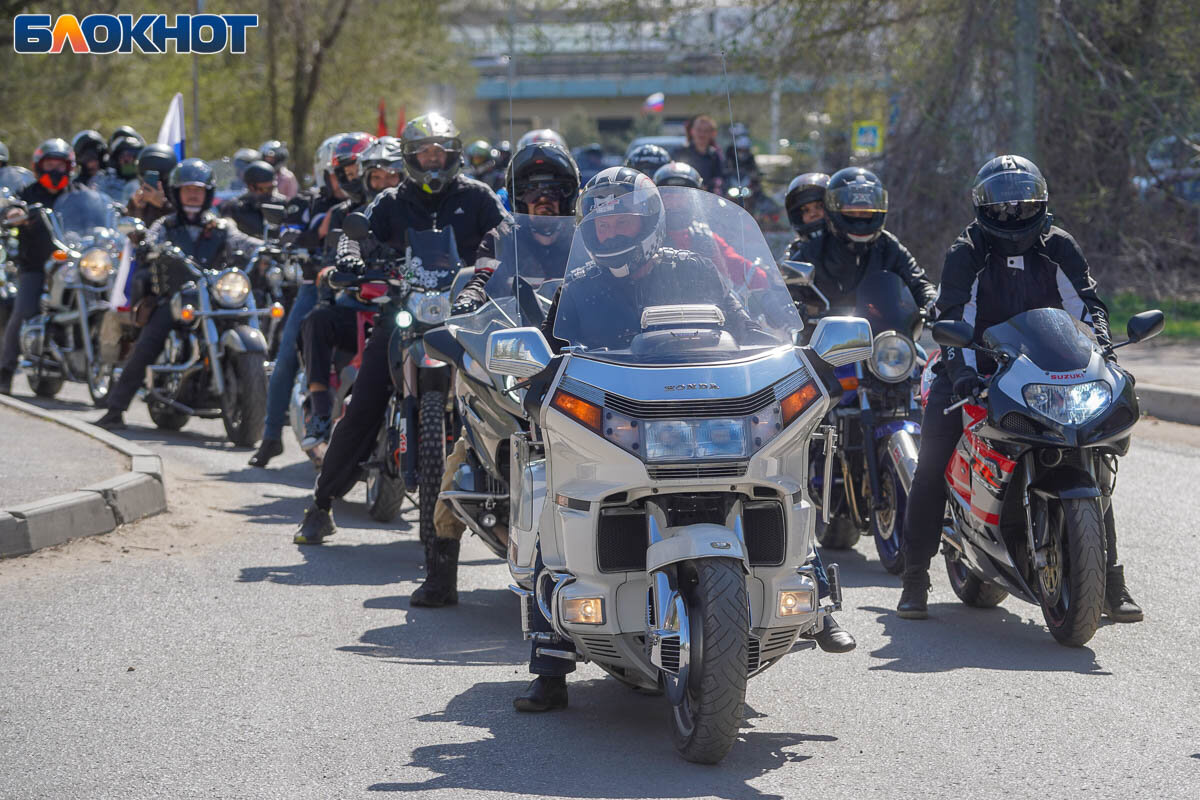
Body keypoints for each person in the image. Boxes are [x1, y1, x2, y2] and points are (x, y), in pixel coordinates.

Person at [896, 154, 1142, 622]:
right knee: (931, 464)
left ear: (1041, 204)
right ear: (983, 208)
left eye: (1023, 205)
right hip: (974, 368)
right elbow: (953, 319)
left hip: (1045, 371)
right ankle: (915, 577)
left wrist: (1105, 352)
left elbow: (1085, 304)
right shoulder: (966, 251)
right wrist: (965, 373)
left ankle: (1110, 581)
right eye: (1002, 207)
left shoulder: (1058, 245)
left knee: (1089, 454)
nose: (1012, 214)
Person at [293, 112, 506, 545]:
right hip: (402, 310)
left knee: (507, 399)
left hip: (464, 313)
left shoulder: (478, 196)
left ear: (454, 155)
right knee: (364, 404)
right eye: (424, 152)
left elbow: (506, 231)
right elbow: (357, 229)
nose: (433, 160)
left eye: (440, 152)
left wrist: (496, 263)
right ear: (410, 157)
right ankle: (321, 504)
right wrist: (349, 256)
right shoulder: (390, 200)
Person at [418, 141, 581, 612]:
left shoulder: (589, 236)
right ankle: (440, 576)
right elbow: (483, 274)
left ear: (569, 194)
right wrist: (469, 298)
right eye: (531, 190)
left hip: (580, 358)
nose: (542, 198)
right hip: (522, 358)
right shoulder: (505, 234)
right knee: (465, 455)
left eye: (552, 189)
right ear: (518, 197)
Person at [95, 159, 262, 429]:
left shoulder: (221, 226)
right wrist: (147, 245)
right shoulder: (166, 224)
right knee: (149, 341)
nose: (193, 195)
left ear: (208, 193)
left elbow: (244, 241)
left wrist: (267, 248)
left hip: (214, 295)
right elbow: (150, 238)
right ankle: (115, 408)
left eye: (198, 190)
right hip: (175, 297)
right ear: (177, 192)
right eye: (187, 190)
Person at [249, 136, 351, 467]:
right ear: (325, 173)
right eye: (340, 172)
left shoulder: (372, 203)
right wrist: (316, 232)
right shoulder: (306, 203)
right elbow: (286, 234)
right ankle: (270, 436)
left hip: (365, 288)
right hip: (315, 286)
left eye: (353, 171)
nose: (347, 179)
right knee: (286, 358)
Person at [295, 132, 377, 452]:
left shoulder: (400, 206)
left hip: (403, 302)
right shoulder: (342, 213)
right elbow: (337, 252)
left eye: (361, 170)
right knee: (312, 323)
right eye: (348, 172)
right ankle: (317, 411)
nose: (355, 177)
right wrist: (334, 270)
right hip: (356, 301)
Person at [787, 167, 936, 315]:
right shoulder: (814, 249)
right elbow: (786, 292)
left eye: (865, 212)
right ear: (834, 209)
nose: (859, 217)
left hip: (882, 335)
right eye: (851, 211)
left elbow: (919, 283)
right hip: (821, 335)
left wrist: (932, 302)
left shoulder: (889, 245)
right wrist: (796, 309)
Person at [0, 138, 76, 396]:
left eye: (60, 164)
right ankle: (5, 370)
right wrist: (12, 214)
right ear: (39, 167)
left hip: (71, 267)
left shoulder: (78, 195)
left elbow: (98, 211)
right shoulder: (28, 193)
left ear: (69, 167)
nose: (55, 170)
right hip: (36, 267)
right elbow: (10, 209)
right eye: (50, 164)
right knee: (24, 311)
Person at [219, 160, 286, 238]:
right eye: (265, 189)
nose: (269, 193)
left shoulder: (282, 204)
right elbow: (227, 232)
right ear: (251, 187)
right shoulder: (234, 208)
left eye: (272, 188)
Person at [127, 144, 178, 227]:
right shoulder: (136, 200)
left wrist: (164, 205)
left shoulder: (178, 198)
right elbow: (131, 233)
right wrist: (136, 207)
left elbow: (184, 228)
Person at [671, 114, 724, 194]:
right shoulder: (679, 153)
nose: (702, 134)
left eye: (706, 131)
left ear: (712, 133)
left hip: (708, 199)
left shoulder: (715, 155)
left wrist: (709, 187)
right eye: (699, 130)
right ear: (692, 131)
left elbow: (720, 178)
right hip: (683, 197)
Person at [783, 172, 830, 260]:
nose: (813, 214)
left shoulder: (848, 244)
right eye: (805, 210)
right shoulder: (795, 250)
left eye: (819, 206)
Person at [96, 131, 144, 205]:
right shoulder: (104, 181)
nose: (129, 160)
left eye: (133, 155)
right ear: (115, 160)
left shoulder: (144, 184)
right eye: (124, 156)